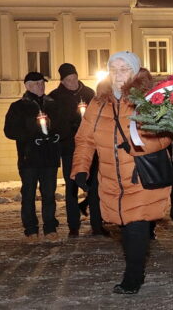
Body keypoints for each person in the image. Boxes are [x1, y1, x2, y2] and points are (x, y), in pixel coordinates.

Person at [71, 51, 172, 293]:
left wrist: (138, 146)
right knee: (124, 225)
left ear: (136, 71)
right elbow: (85, 139)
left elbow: (167, 135)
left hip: (139, 174)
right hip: (109, 177)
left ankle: (133, 276)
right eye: (113, 69)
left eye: (124, 69)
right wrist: (81, 169)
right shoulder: (98, 102)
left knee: (135, 224)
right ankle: (135, 269)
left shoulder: (149, 98)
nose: (118, 74)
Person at [4, 72, 62, 242]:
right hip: (29, 158)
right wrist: (31, 137)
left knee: (49, 194)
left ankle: (50, 228)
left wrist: (57, 135)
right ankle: (31, 230)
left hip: (49, 157)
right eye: (37, 83)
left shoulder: (52, 104)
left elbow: (62, 124)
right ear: (28, 86)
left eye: (42, 83)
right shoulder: (18, 107)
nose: (41, 86)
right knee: (28, 195)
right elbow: (10, 131)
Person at [48, 63, 103, 237]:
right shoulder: (54, 98)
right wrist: (70, 126)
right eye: (67, 80)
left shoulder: (89, 94)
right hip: (68, 148)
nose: (72, 82)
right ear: (62, 81)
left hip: (91, 147)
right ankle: (73, 225)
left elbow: (98, 117)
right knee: (71, 186)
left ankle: (97, 224)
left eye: (73, 78)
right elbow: (53, 124)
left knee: (94, 186)